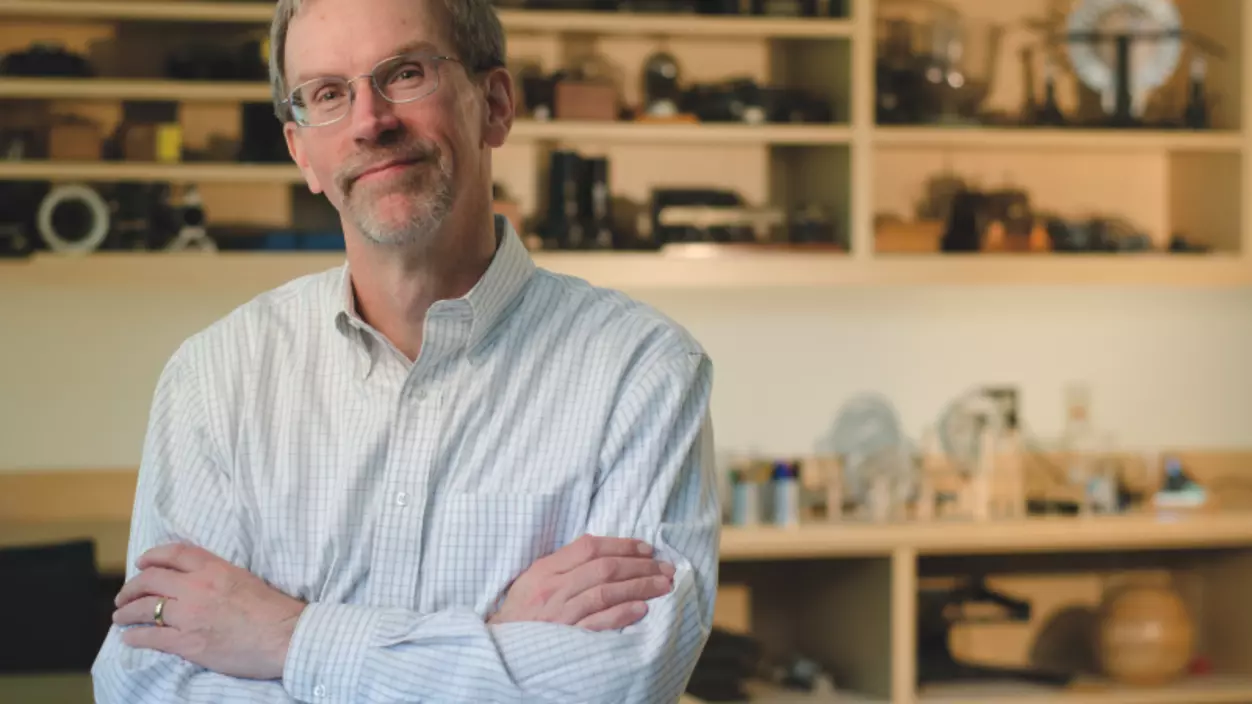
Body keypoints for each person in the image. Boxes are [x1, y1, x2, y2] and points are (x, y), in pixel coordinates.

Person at [89, 0, 720, 701]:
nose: (370, 122)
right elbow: (146, 681)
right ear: (302, 152)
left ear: (496, 105)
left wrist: (283, 638)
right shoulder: (213, 380)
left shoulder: (642, 373)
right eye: (329, 94)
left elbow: (617, 683)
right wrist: (496, 635)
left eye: (407, 72)